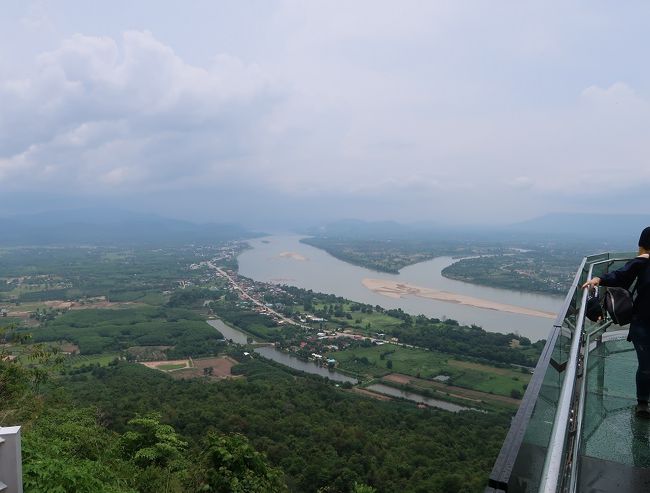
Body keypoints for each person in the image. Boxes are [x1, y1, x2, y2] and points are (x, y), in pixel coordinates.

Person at [582, 227, 650, 417]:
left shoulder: (641, 263)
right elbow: (621, 276)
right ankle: (643, 402)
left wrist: (599, 279)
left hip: (643, 323)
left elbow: (620, 276)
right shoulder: (642, 263)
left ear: (641, 245)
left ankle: (643, 403)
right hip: (643, 324)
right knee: (646, 365)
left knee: (646, 366)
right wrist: (600, 279)